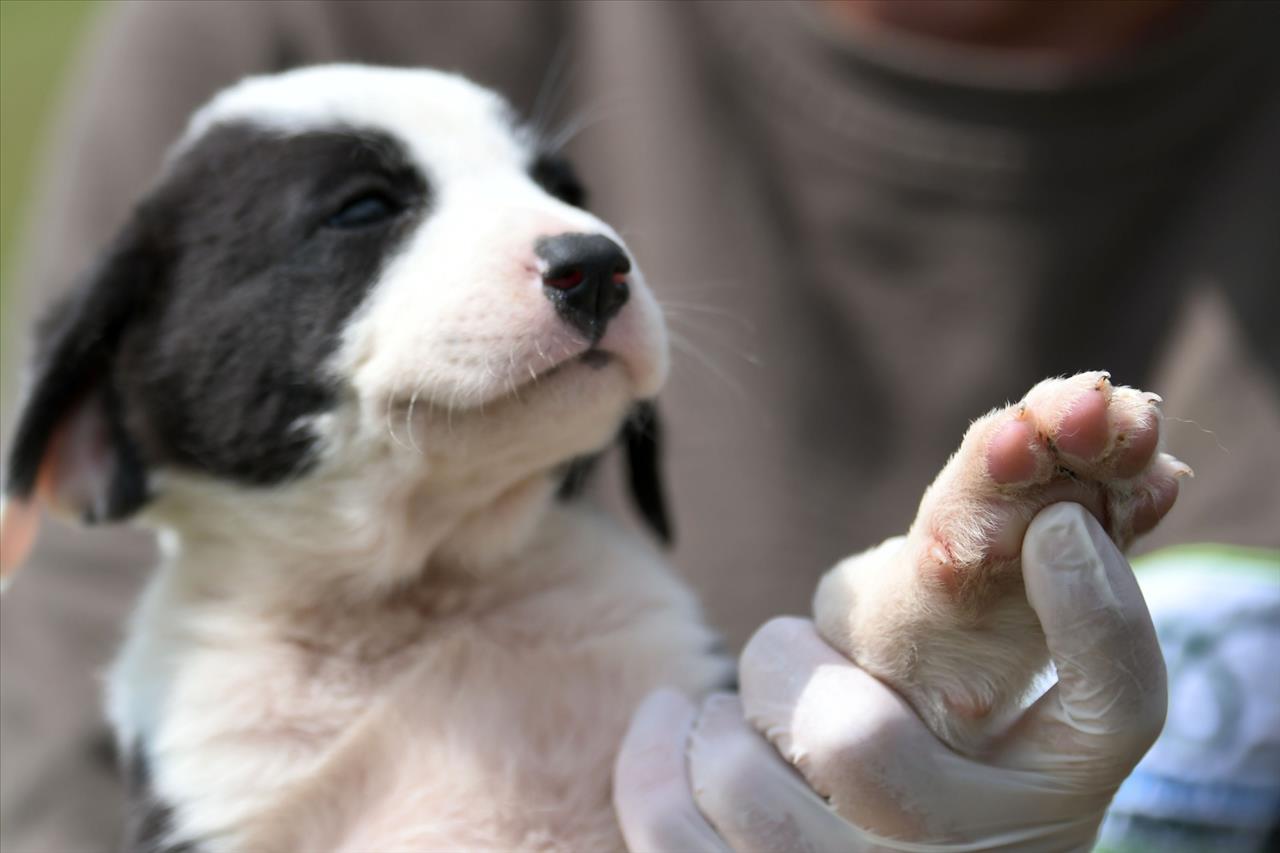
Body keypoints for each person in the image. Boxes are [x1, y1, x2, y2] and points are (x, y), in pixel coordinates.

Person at [1, 0, 1276, 850]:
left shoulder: (620, 620)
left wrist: (925, 656)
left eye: (554, 187)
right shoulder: (276, 28)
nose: (582, 245)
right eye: (361, 211)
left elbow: (822, 738)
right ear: (98, 439)